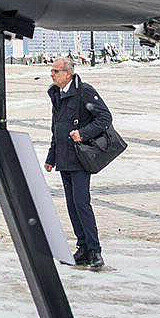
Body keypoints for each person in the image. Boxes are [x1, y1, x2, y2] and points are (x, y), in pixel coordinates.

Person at [44, 57, 111, 269]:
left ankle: (95, 250)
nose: (52, 74)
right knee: (72, 205)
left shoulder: (84, 91)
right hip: (64, 158)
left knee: (82, 204)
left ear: (68, 74)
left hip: (80, 158)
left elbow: (105, 118)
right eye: (52, 71)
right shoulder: (56, 94)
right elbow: (57, 127)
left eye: (56, 71)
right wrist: (51, 157)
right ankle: (82, 247)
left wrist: (82, 133)